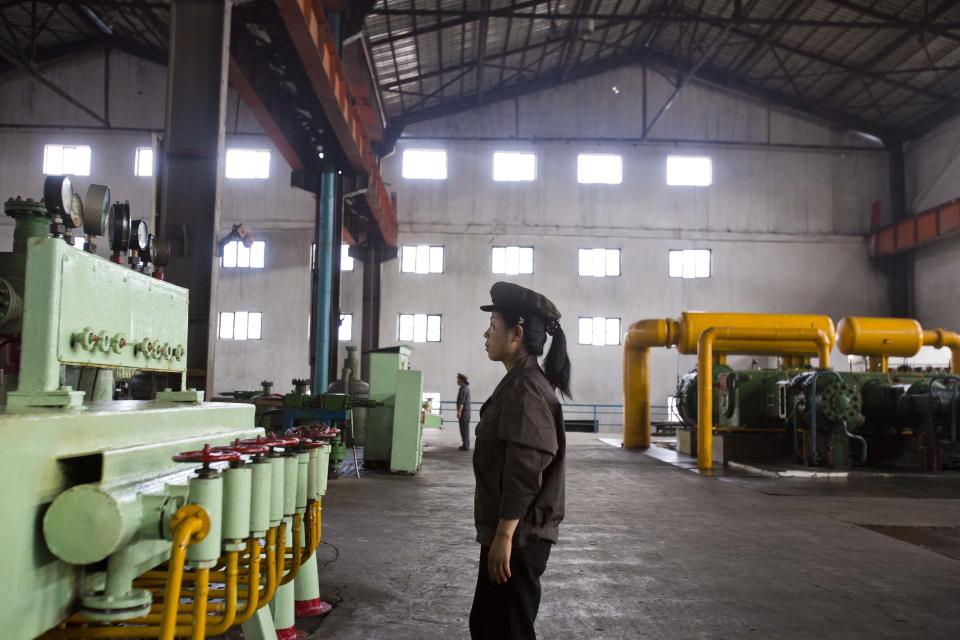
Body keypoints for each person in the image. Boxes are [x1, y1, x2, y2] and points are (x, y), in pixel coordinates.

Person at [469, 281, 571, 640]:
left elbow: (526, 466)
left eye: (494, 325)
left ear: (517, 333)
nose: (486, 333)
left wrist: (504, 535)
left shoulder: (526, 387)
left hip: (519, 537)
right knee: (489, 625)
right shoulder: (519, 381)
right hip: (512, 533)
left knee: (506, 629)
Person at [457, 373, 472, 451]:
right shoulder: (465, 388)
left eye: (458, 379)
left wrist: (459, 412)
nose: (457, 381)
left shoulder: (463, 389)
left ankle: (466, 446)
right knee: (464, 429)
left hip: (464, 413)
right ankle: (465, 444)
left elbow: (462, 402)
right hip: (466, 413)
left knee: (464, 430)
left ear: (461, 380)